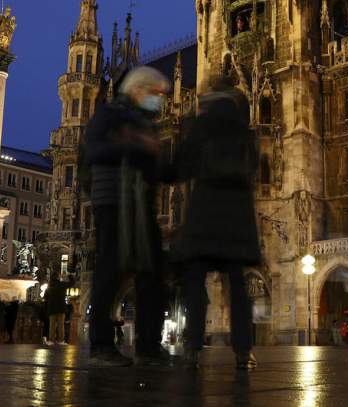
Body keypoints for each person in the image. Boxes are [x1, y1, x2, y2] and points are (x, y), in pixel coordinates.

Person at [85, 66, 171, 367]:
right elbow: (93, 151)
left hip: (142, 206)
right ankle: (101, 346)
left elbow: (157, 168)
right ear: (138, 90)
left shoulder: (147, 123)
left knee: (152, 275)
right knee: (109, 272)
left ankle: (149, 346)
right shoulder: (109, 114)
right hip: (113, 202)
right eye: (155, 93)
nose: (159, 100)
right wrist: (131, 143)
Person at [174, 77, 261, 370]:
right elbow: (255, 165)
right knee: (238, 285)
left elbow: (183, 164)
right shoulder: (244, 130)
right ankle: (243, 350)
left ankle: (193, 347)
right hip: (238, 216)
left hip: (205, 214)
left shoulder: (201, 127)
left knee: (196, 283)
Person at [46, 279, 67, 345]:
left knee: (52, 325)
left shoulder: (49, 289)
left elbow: (45, 297)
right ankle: (61, 340)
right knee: (61, 325)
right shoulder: (62, 287)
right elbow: (71, 283)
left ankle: (51, 340)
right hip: (61, 309)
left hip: (52, 309)